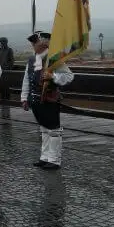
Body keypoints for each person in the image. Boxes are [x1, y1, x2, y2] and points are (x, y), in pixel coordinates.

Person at [20, 31, 75, 170]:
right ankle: (45, 157)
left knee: (54, 130)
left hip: (50, 99)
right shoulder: (32, 60)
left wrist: (53, 77)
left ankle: (54, 160)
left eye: (35, 41)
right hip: (35, 99)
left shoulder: (54, 59)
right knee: (44, 129)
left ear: (44, 43)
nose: (33, 45)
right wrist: (24, 98)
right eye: (32, 42)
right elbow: (27, 79)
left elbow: (69, 77)